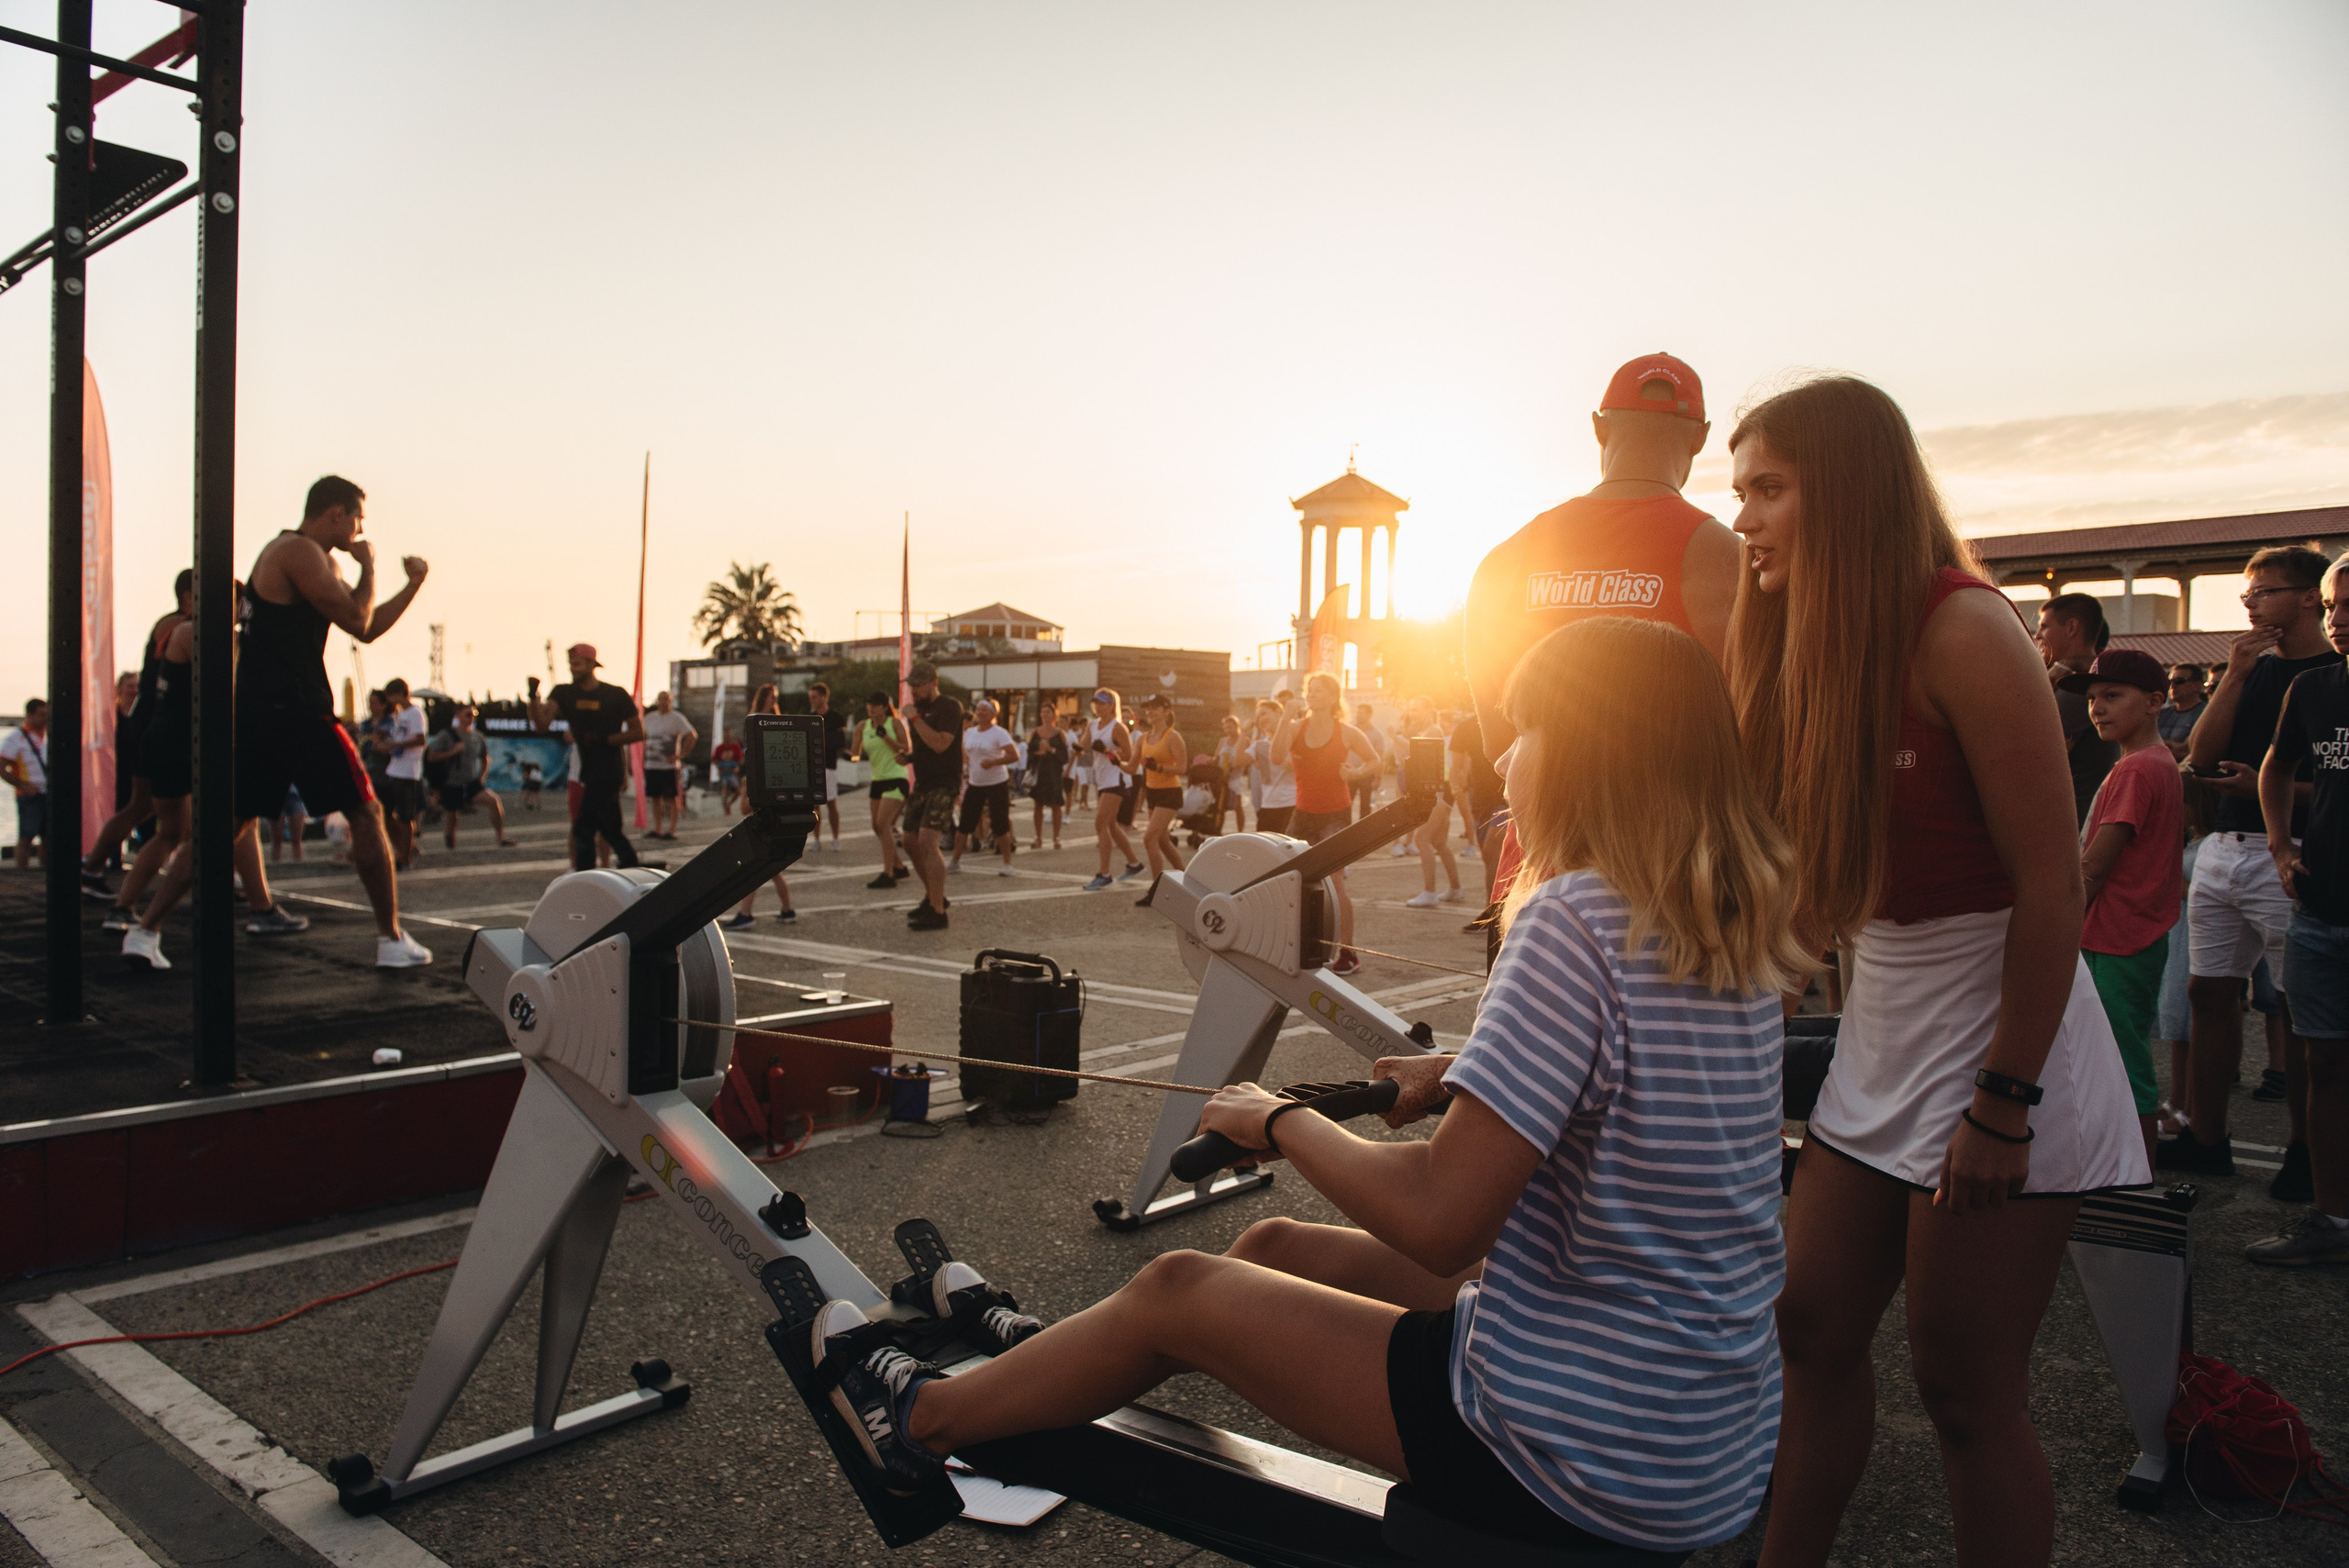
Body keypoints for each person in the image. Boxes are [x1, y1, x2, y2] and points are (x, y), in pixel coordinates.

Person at [809, 617, 1809, 1558]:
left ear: (1596, 747)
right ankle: (1057, 1367)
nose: (1504, 761)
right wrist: (1464, 1070)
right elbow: (1641, 1104)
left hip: (1574, 1451)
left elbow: (1441, 1219)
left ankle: (916, 1419)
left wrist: (1276, 1118)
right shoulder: (1724, 922)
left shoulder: (1573, 916)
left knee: (1178, 1289)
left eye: (1528, 731)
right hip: (1701, 1439)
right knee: (1272, 1246)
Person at [1720, 376, 2143, 1568]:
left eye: (1768, 490)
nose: (1743, 519)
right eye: (1738, 491)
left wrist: (2006, 1103)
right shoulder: (1807, 633)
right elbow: (1817, 885)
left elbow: (2051, 884)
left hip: (2008, 1043)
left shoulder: (1965, 627)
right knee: (1807, 1327)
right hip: (1887, 1034)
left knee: (1964, 1386)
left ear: (1847, 491)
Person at [1464, 353, 1744, 913]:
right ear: (1701, 439)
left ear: (1598, 425)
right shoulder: (1722, 556)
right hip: (1668, 870)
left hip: (1535, 871)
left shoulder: (1507, 558)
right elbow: (1744, 729)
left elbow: (1498, 739)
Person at [2166, 544, 2343, 1176]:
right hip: (2225, 848)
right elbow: (2201, 757)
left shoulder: (2331, 672)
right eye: (2247, 594)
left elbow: (2334, 780)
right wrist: (2236, 675)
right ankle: (2205, 1137)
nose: (2250, 604)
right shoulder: (2255, 670)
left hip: (2293, 853)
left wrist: (2263, 796)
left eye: (2262, 592)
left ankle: (2305, 1149)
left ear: (2305, 598)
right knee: (2207, 992)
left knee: (2301, 1011)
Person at [233, 476, 429, 966]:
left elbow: (366, 630)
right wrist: (372, 567)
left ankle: (142, 924)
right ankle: (390, 940)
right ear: (336, 514)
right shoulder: (298, 551)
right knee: (366, 812)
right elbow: (357, 617)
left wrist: (413, 585)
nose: (363, 529)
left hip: (266, 709)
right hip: (297, 709)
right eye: (359, 518)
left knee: (229, 825)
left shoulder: (312, 559)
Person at [2250, 551, 2349, 1263]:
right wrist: (2282, 846)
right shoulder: (2315, 688)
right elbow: (2277, 764)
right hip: (2322, 910)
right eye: (2336, 604)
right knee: (2324, 1067)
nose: (2340, 620)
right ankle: (2331, 1217)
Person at [2065, 651, 2186, 1169]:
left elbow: (2094, 867)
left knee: (2122, 1062)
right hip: (2130, 933)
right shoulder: (2153, 764)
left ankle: (2135, 1176)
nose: (2098, 709)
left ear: (2155, 702)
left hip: (2119, 935)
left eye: (2113, 696)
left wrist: (2055, 920)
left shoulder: (2136, 769)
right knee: (2114, 1054)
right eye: (2093, 699)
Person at [81, 571, 192, 897]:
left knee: (140, 807)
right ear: (189, 596)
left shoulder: (172, 624)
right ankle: (107, 882)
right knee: (169, 821)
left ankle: (92, 867)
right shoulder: (176, 626)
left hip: (148, 724)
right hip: (157, 726)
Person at [1274, 672, 1382, 974]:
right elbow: (1275, 756)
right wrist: (1286, 717)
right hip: (1303, 813)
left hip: (1336, 814)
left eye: (1318, 691)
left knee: (1336, 883)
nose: (1311, 695)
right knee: (1288, 879)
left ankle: (1348, 952)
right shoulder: (1295, 726)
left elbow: (1375, 761)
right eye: (1309, 690)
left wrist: (1355, 774)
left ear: (1333, 697)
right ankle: (1294, 945)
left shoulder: (1346, 732)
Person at [529, 643, 645, 875]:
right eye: (570, 664)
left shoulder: (615, 695)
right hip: (590, 772)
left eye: (577, 664)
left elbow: (638, 732)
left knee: (584, 827)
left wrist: (605, 740)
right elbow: (541, 725)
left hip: (610, 770)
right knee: (610, 829)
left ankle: (586, 873)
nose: (573, 669)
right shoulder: (564, 693)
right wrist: (532, 697)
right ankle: (632, 867)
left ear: (592, 664)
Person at [2033, 593, 2119, 827]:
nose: (2038, 635)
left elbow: (2036, 758)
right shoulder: (2083, 681)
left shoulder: (2076, 689)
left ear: (2072, 628)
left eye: (2044, 627)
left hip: (2067, 822)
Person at [723, 685, 796, 929]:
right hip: (760, 780)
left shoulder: (776, 721)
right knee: (770, 863)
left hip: (768, 785)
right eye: (771, 695)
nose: (775, 699)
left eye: (776, 695)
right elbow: (750, 754)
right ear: (764, 697)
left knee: (759, 861)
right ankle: (786, 910)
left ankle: (747, 914)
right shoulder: (754, 720)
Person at [900, 662, 963, 929]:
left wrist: (914, 719)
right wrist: (910, 756)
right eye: (911, 685)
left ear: (933, 683)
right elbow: (925, 748)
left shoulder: (949, 707)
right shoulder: (921, 711)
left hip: (944, 783)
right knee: (910, 841)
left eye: (919, 685)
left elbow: (940, 744)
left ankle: (938, 913)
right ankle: (933, 897)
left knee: (928, 840)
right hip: (923, 783)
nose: (913, 690)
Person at [1398, 696, 1464, 908]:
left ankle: (1430, 892)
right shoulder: (1429, 730)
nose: (1413, 714)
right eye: (1412, 710)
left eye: (1416, 709)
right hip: (1440, 790)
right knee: (1439, 842)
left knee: (1422, 839)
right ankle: (1455, 888)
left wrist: (1396, 737)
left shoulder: (1432, 731)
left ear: (1428, 710)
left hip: (1438, 791)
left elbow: (1421, 758)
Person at [1078, 688, 1143, 892]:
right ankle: (1134, 864)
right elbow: (1083, 746)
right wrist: (1075, 748)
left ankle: (1104, 874)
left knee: (1101, 824)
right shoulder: (1093, 725)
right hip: (1103, 780)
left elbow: (1129, 754)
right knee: (1112, 826)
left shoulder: (1118, 728)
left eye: (1102, 703)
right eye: (1095, 702)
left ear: (1111, 705)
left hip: (1118, 778)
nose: (1098, 706)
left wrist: (1107, 751)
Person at [428, 704, 515, 851]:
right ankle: (451, 849)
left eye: (473, 715)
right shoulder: (446, 735)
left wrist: (481, 776)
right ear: (458, 715)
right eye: (468, 714)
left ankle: (500, 837)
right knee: (452, 818)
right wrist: (452, 752)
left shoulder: (477, 736)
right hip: (451, 783)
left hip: (470, 782)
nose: (471, 718)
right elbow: (431, 757)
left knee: (493, 801)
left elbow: (485, 758)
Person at [951, 698, 1019, 877]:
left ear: (993, 714)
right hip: (975, 783)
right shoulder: (970, 732)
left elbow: (1014, 755)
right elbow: (963, 751)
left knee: (1000, 824)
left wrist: (994, 762)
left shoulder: (999, 733)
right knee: (965, 823)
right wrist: (966, 765)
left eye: (984, 710)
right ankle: (954, 861)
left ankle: (1007, 864)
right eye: (978, 710)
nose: (980, 713)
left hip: (997, 782)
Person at [1448, 709, 1509, 906]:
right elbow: (1456, 764)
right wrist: (1456, 787)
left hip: (1508, 798)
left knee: (1492, 850)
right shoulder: (1466, 727)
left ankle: (1492, 913)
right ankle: (1497, 908)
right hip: (1481, 799)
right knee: (1487, 855)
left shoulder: (1511, 719)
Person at [852, 692, 911, 889]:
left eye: (875, 705)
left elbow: (905, 749)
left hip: (896, 777)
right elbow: (854, 753)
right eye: (869, 705)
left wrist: (885, 737)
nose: (871, 708)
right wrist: (849, 755)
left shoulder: (894, 724)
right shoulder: (863, 726)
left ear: (885, 707)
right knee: (877, 827)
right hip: (877, 781)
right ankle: (899, 866)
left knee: (883, 823)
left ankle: (888, 873)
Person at [1134, 693, 1189, 892]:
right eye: (1148, 707)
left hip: (1170, 792)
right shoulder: (1143, 738)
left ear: (1166, 711)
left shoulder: (1173, 737)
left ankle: (1156, 890)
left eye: (1155, 707)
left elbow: (1182, 768)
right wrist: (1112, 758)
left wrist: (1158, 768)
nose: (1150, 711)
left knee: (1149, 838)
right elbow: (1131, 766)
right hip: (1153, 792)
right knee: (1163, 841)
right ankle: (1188, 882)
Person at [379, 678, 428, 869]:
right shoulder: (401, 714)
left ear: (399, 693)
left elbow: (420, 740)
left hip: (408, 771)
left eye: (391, 695)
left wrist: (396, 745)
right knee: (385, 814)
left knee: (405, 816)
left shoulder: (415, 713)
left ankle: (405, 857)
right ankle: (404, 849)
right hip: (395, 768)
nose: (390, 700)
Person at [640, 691, 696, 841]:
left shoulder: (677, 718)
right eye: (661, 699)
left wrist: (680, 755)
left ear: (671, 701)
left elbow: (692, 735)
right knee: (655, 797)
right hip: (652, 764)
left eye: (667, 699)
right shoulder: (649, 718)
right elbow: (641, 737)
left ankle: (671, 830)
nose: (664, 702)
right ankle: (657, 829)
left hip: (669, 767)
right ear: (657, 700)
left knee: (672, 798)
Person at [2, 699, 49, 871]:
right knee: (27, 835)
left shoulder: (50, 735)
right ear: (29, 715)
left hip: (49, 793)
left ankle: (46, 870)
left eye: (47, 714)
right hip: (30, 794)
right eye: (41, 715)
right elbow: (2, 767)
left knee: (49, 835)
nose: (45, 718)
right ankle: (22, 872)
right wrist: (22, 785)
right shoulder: (17, 738)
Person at [1246, 698, 1297, 837]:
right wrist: (1244, 730)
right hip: (1268, 805)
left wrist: (1296, 765)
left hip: (1292, 803)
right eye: (1259, 716)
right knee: (1265, 851)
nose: (1261, 719)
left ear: (1278, 712)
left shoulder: (1295, 739)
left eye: (1264, 714)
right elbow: (1238, 761)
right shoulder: (1260, 745)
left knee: (1288, 850)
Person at [808, 682, 848, 851]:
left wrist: (823, 742)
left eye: (815, 697)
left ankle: (835, 838)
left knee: (831, 803)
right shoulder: (809, 717)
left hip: (829, 766)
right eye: (810, 697)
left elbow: (839, 742)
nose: (812, 700)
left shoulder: (835, 717)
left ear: (824, 697)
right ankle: (816, 840)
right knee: (814, 805)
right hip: (812, 765)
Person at [1026, 703, 1070, 850]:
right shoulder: (1035, 733)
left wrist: (1051, 750)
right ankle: (1038, 837)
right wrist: (1038, 753)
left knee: (1056, 804)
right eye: (1043, 712)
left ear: (1054, 715)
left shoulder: (1060, 734)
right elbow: (1029, 754)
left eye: (1048, 712)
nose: (1045, 715)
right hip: (1040, 772)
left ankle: (1056, 837)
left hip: (1054, 773)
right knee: (1038, 805)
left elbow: (1065, 757)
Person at [1349, 701, 1390, 820]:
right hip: (1351, 774)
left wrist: (1378, 777)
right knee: (1346, 805)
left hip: (1367, 775)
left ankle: (1363, 834)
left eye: (1361, 713)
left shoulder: (1377, 734)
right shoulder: (1351, 730)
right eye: (1357, 713)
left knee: (1365, 808)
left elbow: (1380, 758)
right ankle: (1343, 831)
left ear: (1369, 715)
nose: (1357, 715)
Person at [2157, 663, 2207, 760]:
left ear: (2197, 685)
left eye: (2179, 681)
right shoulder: (2160, 714)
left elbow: (2191, 751)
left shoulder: (2206, 715)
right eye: (2170, 682)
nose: (2173, 686)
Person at [708, 731, 742, 816]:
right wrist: (719, 767)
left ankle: (728, 804)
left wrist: (736, 767)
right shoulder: (720, 748)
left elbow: (741, 759)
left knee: (738, 791)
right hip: (724, 774)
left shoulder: (735, 746)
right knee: (725, 790)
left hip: (732, 774)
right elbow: (713, 759)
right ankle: (726, 810)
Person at [273, 785, 308, 862]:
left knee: (297, 840)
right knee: (277, 840)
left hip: (296, 794)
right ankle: (276, 869)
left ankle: (299, 868)